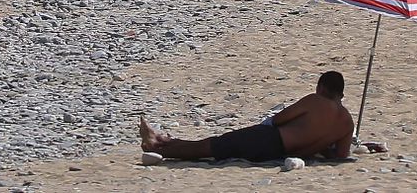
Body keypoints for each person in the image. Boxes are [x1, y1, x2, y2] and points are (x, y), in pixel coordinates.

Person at [139, 72, 354, 163]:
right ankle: (163, 141)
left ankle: (157, 147)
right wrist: (322, 143)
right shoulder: (347, 123)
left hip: (270, 140)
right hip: (282, 154)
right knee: (215, 148)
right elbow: (340, 155)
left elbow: (279, 120)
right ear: (341, 94)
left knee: (211, 146)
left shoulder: (316, 101)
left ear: (321, 87)